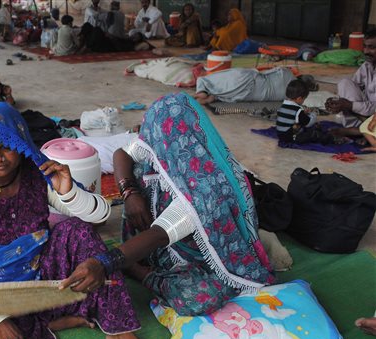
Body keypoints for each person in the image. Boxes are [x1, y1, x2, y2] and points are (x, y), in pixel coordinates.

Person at [0, 102, 163, 339]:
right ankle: (43, 324)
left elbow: (101, 214)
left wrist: (69, 192)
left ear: (21, 144)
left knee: (77, 231)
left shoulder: (37, 174)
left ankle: (120, 333)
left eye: (7, 146)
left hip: (39, 283)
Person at [66, 92, 274, 318]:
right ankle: (138, 255)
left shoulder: (206, 188)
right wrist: (129, 193)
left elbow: (159, 233)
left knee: (198, 298)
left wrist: (105, 262)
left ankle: (140, 271)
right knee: (138, 171)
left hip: (204, 257)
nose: (149, 138)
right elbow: (122, 154)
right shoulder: (169, 141)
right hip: (167, 241)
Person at [326, 29, 376, 128]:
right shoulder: (367, 65)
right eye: (365, 46)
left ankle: (363, 131)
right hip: (366, 113)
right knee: (345, 83)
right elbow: (352, 87)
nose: (366, 51)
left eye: (371, 47)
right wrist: (337, 102)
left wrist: (350, 105)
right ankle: (358, 128)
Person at [194, 67, 296, 104]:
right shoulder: (289, 96)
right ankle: (212, 96)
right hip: (250, 94)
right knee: (230, 92)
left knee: (222, 78)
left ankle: (202, 87)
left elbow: (266, 72)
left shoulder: (286, 72)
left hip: (250, 78)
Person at [276, 80, 332, 145]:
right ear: (299, 99)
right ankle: (330, 138)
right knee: (312, 134)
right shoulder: (297, 110)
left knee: (302, 127)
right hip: (292, 137)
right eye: (304, 99)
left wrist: (304, 114)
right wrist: (313, 114)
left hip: (281, 135)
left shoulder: (282, 106)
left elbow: (292, 118)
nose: (303, 101)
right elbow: (309, 123)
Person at [80, 22, 144, 53]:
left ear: (136, 41)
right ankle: (83, 39)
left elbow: (120, 48)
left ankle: (85, 45)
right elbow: (118, 39)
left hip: (107, 46)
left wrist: (112, 37)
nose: (133, 36)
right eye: (134, 34)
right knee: (89, 26)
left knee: (97, 30)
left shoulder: (130, 44)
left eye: (136, 36)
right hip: (106, 40)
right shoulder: (126, 38)